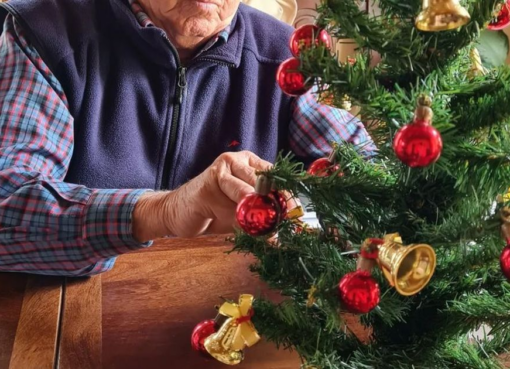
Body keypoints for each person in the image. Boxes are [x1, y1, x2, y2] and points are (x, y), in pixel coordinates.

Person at [0, 0, 375, 276]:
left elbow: (371, 177)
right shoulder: (46, 31)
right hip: (65, 320)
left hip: (228, 314)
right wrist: (159, 212)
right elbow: (8, 209)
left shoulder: (282, 56)